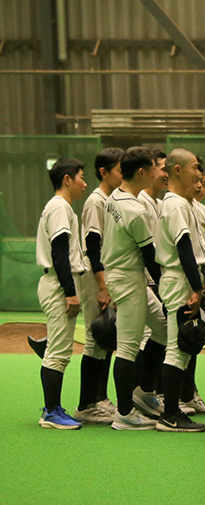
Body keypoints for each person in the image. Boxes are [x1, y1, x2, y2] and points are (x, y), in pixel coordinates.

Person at [102, 146, 162, 430]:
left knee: (162, 328)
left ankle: (143, 392)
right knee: (126, 348)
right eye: (153, 167)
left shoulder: (115, 196)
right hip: (128, 279)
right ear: (141, 172)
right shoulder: (135, 210)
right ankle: (124, 413)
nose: (156, 172)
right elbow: (150, 256)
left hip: (125, 276)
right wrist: (165, 289)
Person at [154, 148, 205, 433]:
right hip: (179, 280)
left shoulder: (182, 203)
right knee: (176, 348)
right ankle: (170, 414)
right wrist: (196, 288)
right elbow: (184, 248)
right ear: (177, 170)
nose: (198, 173)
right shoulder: (174, 204)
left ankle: (173, 411)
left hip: (183, 278)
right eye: (194, 167)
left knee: (184, 347)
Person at [35, 158, 89, 429]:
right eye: (81, 176)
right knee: (57, 352)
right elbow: (59, 253)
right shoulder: (59, 206)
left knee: (59, 350)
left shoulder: (62, 207)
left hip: (59, 284)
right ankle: (51, 412)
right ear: (67, 179)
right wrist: (69, 292)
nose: (84, 182)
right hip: (58, 285)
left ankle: (52, 408)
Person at [74, 148, 124, 425]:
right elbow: (93, 247)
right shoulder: (96, 201)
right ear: (104, 172)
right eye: (119, 169)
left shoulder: (113, 199)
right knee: (95, 338)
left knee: (106, 339)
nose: (122, 174)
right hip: (95, 277)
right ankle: (86, 404)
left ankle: (100, 399)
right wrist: (102, 285)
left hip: (106, 275)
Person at [132, 149, 171, 418]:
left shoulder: (157, 202)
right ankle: (138, 395)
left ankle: (146, 393)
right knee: (136, 341)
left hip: (151, 280)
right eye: (161, 168)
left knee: (156, 335)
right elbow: (145, 249)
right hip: (140, 281)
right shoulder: (142, 201)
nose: (166, 173)